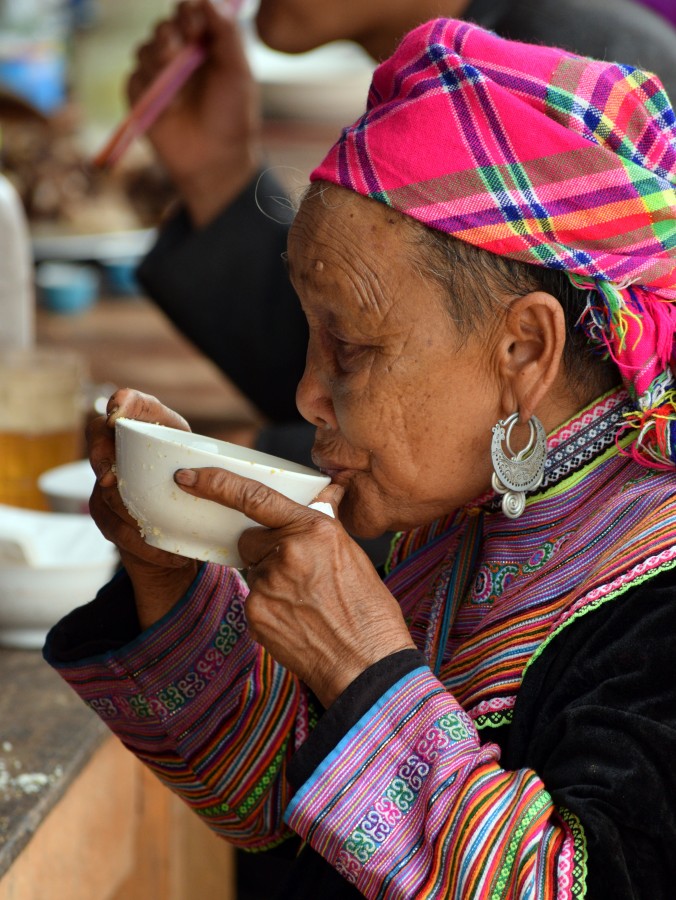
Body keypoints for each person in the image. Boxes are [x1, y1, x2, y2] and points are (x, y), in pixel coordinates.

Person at [45, 18, 676, 898]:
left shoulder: (655, 591)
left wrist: (362, 668)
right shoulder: (465, 507)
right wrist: (169, 572)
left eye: (351, 345)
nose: (306, 396)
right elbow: (277, 808)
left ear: (525, 352)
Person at [133, 0, 676, 468]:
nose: (312, 394)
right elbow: (361, 360)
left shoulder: (578, 74)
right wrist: (217, 174)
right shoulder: (438, 78)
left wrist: (269, 457)